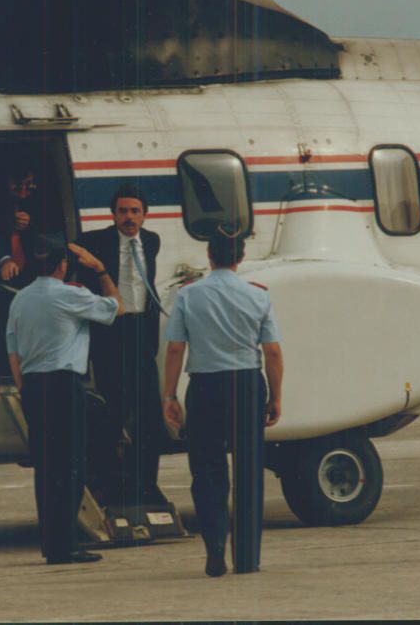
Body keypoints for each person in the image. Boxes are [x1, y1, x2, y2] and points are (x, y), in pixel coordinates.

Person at [161, 225, 283, 578]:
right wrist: (275, 396)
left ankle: (215, 548)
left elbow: (174, 349)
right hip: (246, 383)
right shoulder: (258, 296)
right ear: (241, 258)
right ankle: (247, 558)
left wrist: (169, 394)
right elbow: (272, 351)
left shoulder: (188, 296)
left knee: (208, 470)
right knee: (248, 470)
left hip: (205, 386)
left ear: (209, 256)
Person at [6, 239, 124, 564]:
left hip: (32, 386)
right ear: (62, 265)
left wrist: (27, 387)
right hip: (63, 384)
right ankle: (66, 545)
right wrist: (100, 270)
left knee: (46, 468)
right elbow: (117, 308)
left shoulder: (20, 300)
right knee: (71, 465)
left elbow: (13, 350)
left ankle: (51, 544)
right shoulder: (70, 295)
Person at [79, 184, 168, 506]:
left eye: (134, 211)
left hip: (141, 334)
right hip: (110, 334)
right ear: (113, 214)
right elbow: (65, 247)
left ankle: (146, 484)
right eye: (122, 211)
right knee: (112, 415)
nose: (128, 218)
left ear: (145, 215)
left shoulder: (152, 241)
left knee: (149, 420)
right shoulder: (95, 241)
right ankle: (110, 485)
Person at [0, 170, 40, 288]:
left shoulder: (36, 202)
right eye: (17, 188)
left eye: (29, 187)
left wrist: (29, 224)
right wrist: (4, 259)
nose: (23, 194)